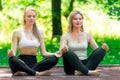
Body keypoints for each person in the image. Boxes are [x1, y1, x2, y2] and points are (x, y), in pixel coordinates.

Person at [8, 6, 61, 76]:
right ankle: (36, 73)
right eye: (29, 16)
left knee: (54, 59)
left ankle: (26, 72)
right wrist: (11, 54)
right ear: (24, 17)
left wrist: (55, 54)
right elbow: (13, 53)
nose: (31, 18)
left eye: (33, 16)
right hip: (21, 63)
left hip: (34, 63)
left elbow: (44, 53)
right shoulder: (17, 32)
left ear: (36, 18)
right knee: (12, 59)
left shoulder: (40, 33)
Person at [59, 10, 109, 76]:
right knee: (68, 52)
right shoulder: (66, 35)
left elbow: (96, 50)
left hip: (85, 64)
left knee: (101, 50)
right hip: (71, 67)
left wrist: (104, 49)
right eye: (75, 19)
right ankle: (87, 72)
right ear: (71, 21)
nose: (78, 21)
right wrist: (63, 50)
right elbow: (60, 51)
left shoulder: (87, 35)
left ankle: (82, 72)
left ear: (82, 21)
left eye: (80, 19)